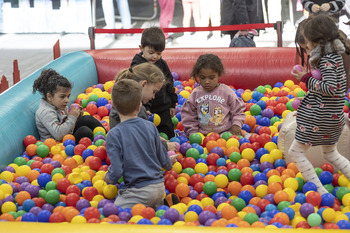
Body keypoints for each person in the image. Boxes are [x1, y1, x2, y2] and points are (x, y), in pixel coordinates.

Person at [290, 14, 350, 195]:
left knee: (296, 152)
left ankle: (321, 192)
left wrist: (306, 78)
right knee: (330, 153)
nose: (306, 48)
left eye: (307, 44)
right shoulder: (336, 56)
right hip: (333, 117)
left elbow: (331, 88)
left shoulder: (327, 60)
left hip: (320, 118)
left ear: (315, 42)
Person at [103, 79, 175, 209]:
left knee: (115, 211)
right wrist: (170, 163)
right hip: (159, 187)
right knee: (151, 211)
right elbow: (162, 157)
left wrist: (108, 177)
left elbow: (117, 170)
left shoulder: (114, 134)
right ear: (139, 107)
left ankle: (157, 205)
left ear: (113, 105)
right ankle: (163, 203)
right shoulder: (150, 126)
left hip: (137, 191)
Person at [109, 63, 177, 152]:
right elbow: (142, 143)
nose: (153, 97)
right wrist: (165, 146)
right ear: (143, 84)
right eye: (154, 92)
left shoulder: (120, 102)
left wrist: (155, 137)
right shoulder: (137, 109)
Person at [181, 54, 246, 136]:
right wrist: (193, 132)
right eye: (202, 78)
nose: (207, 81)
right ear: (198, 76)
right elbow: (189, 115)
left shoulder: (226, 92)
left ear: (218, 75)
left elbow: (238, 111)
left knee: (245, 138)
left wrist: (236, 125)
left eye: (211, 78)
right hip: (202, 135)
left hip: (225, 133)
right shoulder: (195, 94)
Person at [33, 69, 105, 142]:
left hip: (67, 139)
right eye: (62, 97)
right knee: (84, 131)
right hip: (56, 147)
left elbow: (67, 125)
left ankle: (108, 136)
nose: (67, 100)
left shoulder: (58, 104)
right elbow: (59, 134)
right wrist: (72, 117)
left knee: (86, 119)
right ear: (49, 96)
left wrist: (77, 116)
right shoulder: (46, 112)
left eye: (68, 96)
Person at [131, 27, 178, 139]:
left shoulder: (161, 63)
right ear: (141, 48)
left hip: (163, 108)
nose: (155, 57)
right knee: (147, 135)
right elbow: (135, 87)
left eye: (159, 53)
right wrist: (144, 107)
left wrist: (172, 103)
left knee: (168, 133)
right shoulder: (137, 65)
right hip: (146, 109)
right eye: (151, 52)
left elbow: (169, 82)